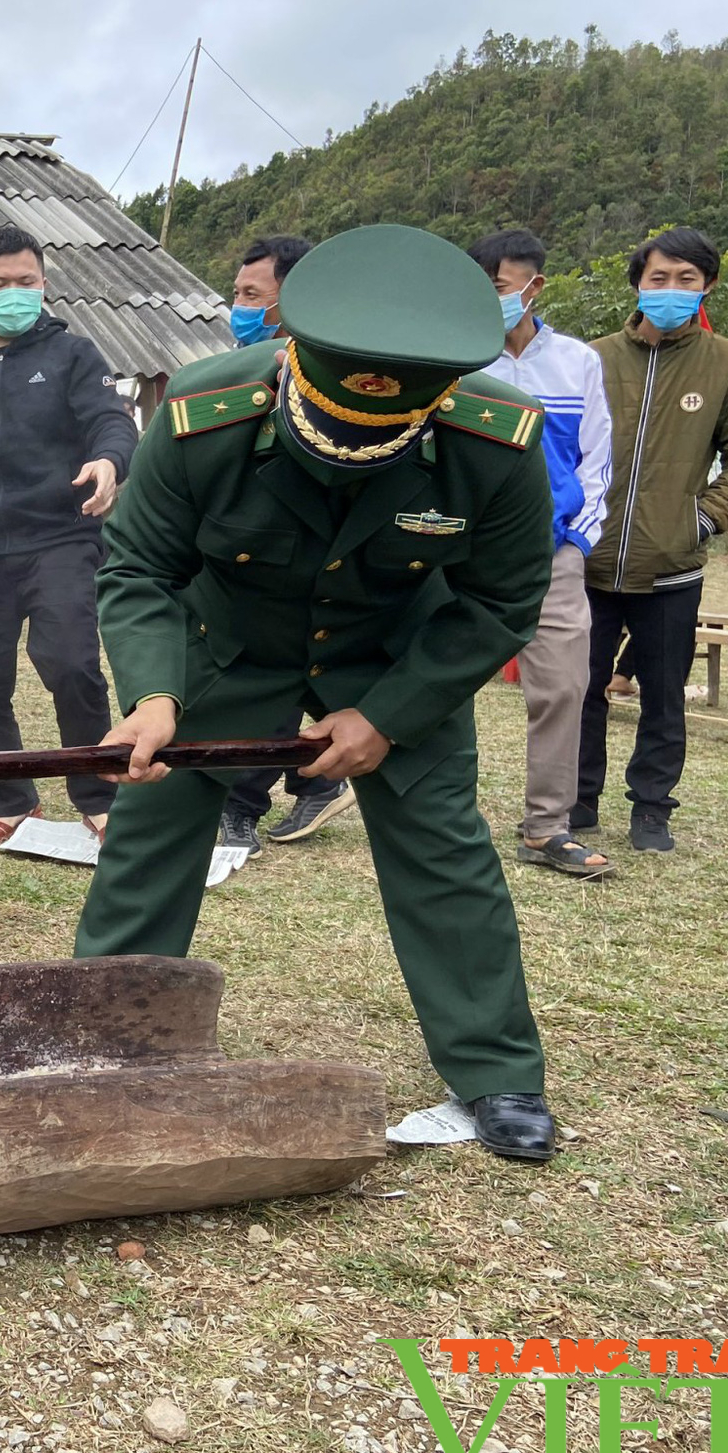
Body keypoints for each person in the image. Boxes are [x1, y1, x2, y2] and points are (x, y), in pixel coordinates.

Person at [78, 223, 561, 1165]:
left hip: (392, 654)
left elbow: (502, 601)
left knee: (443, 845)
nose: (349, 451)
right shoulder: (204, 409)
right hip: (229, 644)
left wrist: (389, 714)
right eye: (333, 431)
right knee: (151, 829)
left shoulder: (494, 441)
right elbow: (139, 567)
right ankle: (102, 1040)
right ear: (296, 359)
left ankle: (497, 1070)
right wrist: (152, 694)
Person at [578, 227, 728, 853]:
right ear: (637, 282)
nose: (670, 290)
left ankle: (651, 809)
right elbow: (556, 447)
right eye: (658, 278)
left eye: (686, 280)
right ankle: (576, 802)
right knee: (577, 691)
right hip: (587, 560)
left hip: (671, 568)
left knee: (663, 696)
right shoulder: (594, 357)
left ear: (707, 285)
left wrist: (703, 520)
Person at [0, 225, 138, 845]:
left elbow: (112, 421)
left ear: (44, 284)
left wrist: (109, 461)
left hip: (61, 538)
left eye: (26, 282)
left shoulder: (73, 354)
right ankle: (13, 801)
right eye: (0, 284)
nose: (14, 294)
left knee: (72, 664)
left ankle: (96, 794)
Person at [469, 228, 615, 879]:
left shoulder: (578, 362)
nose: (490, 300)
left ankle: (546, 828)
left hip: (551, 553)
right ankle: (428, 817)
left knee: (562, 687)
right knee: (431, 680)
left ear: (535, 287)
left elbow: (596, 463)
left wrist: (576, 539)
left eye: (499, 288)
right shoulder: (458, 364)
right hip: (464, 554)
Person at [211, 237, 354, 874]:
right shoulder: (233, 374)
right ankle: (316, 779)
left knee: (273, 673)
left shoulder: (335, 378)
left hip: (297, 552)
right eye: (236, 294)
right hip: (237, 549)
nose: (238, 308)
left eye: (251, 297)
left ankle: (241, 805)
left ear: (290, 306)